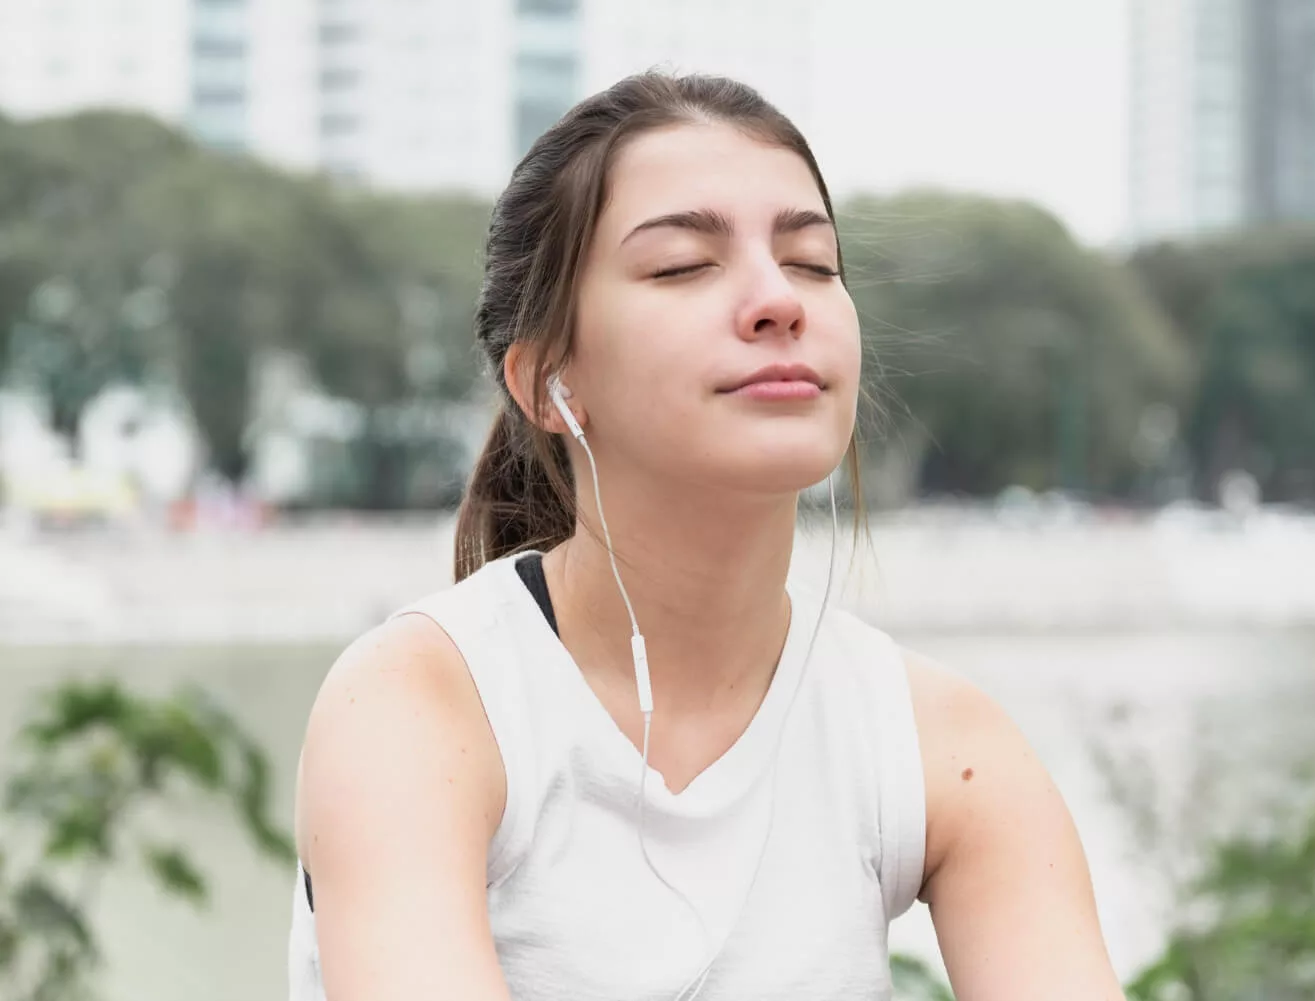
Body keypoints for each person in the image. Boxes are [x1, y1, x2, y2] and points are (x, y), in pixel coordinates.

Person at [288, 72, 1124, 1001]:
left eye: (812, 262)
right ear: (548, 382)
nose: (779, 301)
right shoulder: (424, 704)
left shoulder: (938, 742)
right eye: (684, 265)